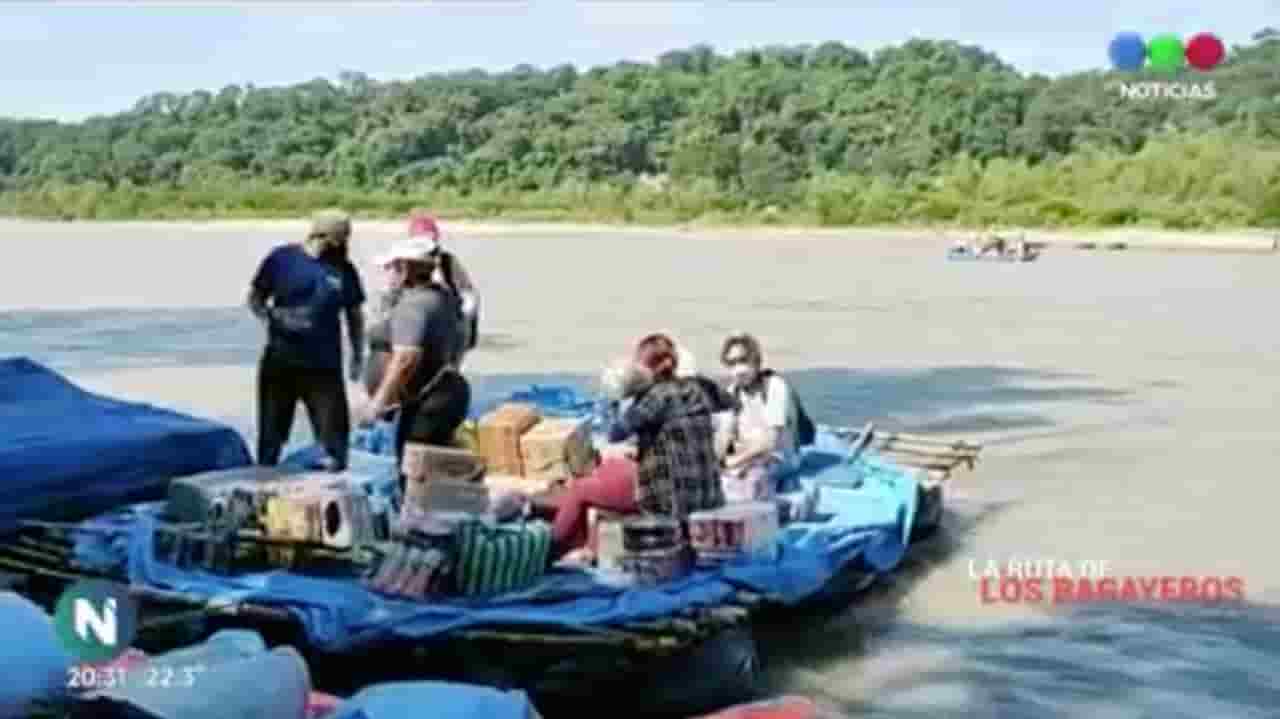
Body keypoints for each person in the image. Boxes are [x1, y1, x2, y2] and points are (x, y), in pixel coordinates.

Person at [547, 333, 725, 560]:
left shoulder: (655, 399)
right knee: (600, 476)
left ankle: (550, 551)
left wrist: (615, 405)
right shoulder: (695, 395)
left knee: (582, 488)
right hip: (691, 488)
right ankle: (585, 547)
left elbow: (616, 433)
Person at [247, 209, 366, 470]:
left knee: (333, 439)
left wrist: (358, 355)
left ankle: (333, 489)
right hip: (280, 362)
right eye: (339, 240)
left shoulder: (344, 270)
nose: (342, 246)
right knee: (271, 437)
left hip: (323, 367)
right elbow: (255, 298)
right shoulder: (281, 259)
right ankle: (264, 482)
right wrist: (271, 317)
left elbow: (354, 315)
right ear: (322, 236)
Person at [354, 237, 470, 492]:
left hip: (429, 403)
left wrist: (378, 404)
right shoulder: (442, 295)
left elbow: (406, 358)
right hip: (442, 394)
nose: (387, 273)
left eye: (391, 267)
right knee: (434, 467)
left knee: (415, 474)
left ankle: (421, 523)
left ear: (405, 270)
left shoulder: (414, 306)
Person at [718, 332, 815, 501]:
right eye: (732, 364)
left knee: (752, 483)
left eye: (743, 361)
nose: (738, 370)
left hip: (778, 456)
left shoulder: (775, 387)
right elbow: (724, 435)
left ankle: (789, 506)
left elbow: (770, 442)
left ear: (756, 361)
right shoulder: (732, 392)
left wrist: (736, 461)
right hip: (744, 456)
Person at [407, 211, 480, 367]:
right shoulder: (402, 262)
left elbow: (469, 293)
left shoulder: (448, 261)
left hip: (449, 326)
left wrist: (464, 316)